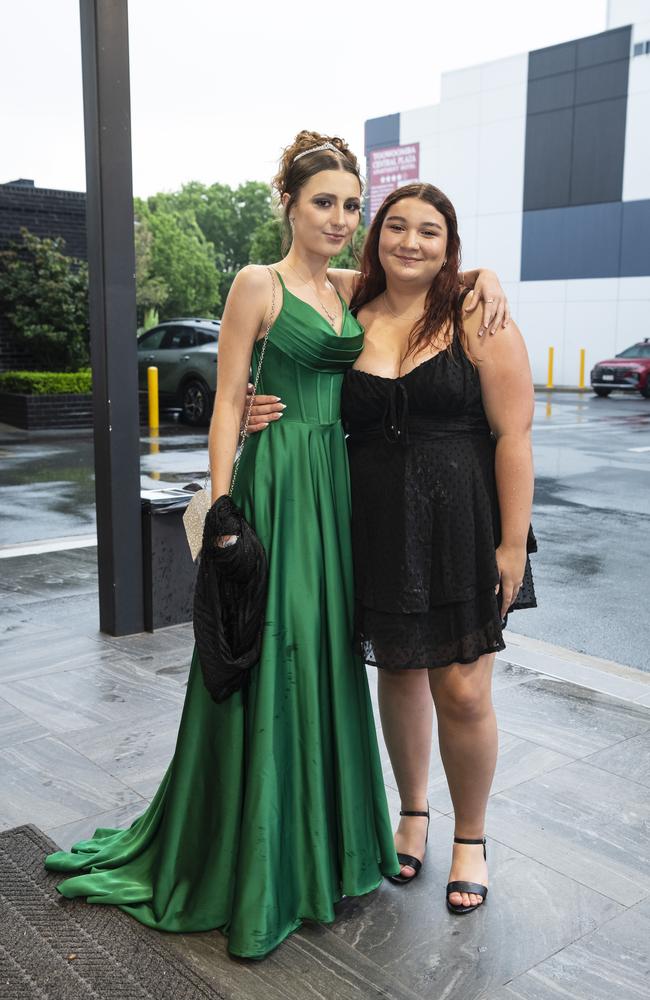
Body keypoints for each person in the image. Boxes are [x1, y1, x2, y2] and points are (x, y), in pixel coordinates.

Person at [44, 134, 507, 958]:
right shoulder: (258, 282)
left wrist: (484, 277)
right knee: (275, 650)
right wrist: (223, 509)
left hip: (341, 492)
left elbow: (430, 272)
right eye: (323, 202)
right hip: (282, 486)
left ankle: (324, 841)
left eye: (349, 205)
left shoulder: (348, 288)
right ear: (288, 205)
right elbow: (227, 403)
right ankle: (260, 851)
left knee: (327, 657)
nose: (339, 217)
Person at [252, 182, 535, 916]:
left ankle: (471, 836)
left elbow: (514, 437)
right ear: (375, 238)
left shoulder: (478, 314)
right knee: (401, 674)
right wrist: (259, 403)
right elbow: (286, 293)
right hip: (374, 521)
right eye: (396, 228)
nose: (411, 242)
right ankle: (413, 811)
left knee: (464, 688)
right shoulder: (351, 308)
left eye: (431, 232)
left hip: (465, 523)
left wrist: (511, 544)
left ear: (452, 245)